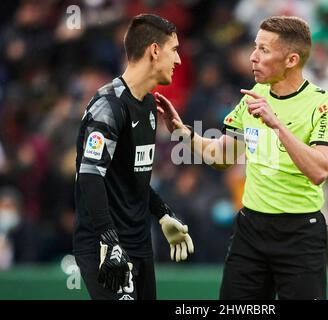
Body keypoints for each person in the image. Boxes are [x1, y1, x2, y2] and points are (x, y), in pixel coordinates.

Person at [156, 16, 328, 300]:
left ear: (291, 59)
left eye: (264, 50)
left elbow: (319, 170)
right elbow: (223, 156)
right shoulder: (252, 96)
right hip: (251, 231)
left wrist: (277, 125)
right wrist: (182, 132)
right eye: (255, 47)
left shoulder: (325, 104)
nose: (253, 57)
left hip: (300, 234)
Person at [73, 14, 194, 300]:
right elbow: (90, 176)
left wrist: (162, 213)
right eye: (174, 50)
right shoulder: (108, 106)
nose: (178, 60)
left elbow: (132, 177)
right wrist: (108, 238)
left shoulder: (149, 105)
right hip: (106, 248)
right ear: (154, 51)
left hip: (139, 246)